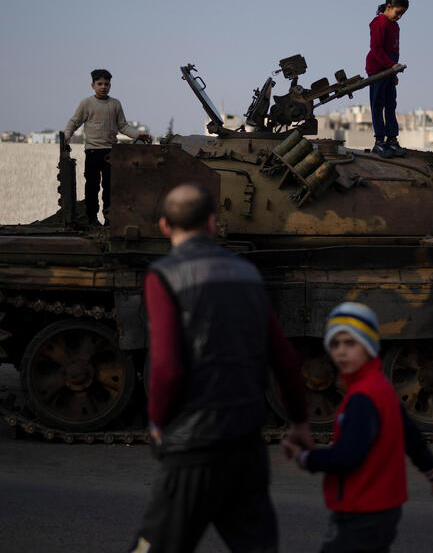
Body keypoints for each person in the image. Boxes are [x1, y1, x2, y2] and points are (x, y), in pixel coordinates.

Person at [129, 183, 311, 553]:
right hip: (245, 442)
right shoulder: (248, 273)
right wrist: (300, 422)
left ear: (164, 226)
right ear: (213, 223)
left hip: (193, 447)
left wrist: (156, 421)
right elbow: (285, 359)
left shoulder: (163, 275)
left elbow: (166, 368)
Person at [281, 302, 433, 553]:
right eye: (335, 344)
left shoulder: (362, 397)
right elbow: (411, 436)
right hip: (384, 509)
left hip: (361, 510)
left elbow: (348, 458)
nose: (341, 352)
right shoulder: (380, 385)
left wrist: (305, 458)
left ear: (368, 346)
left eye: (350, 343)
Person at [64, 69, 150, 226]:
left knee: (110, 187)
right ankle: (92, 219)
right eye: (100, 84)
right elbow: (74, 121)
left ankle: (110, 219)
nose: (103, 87)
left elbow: (123, 126)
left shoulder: (115, 104)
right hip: (92, 151)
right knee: (92, 186)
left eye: (106, 84)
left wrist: (138, 135)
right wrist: (67, 135)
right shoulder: (86, 103)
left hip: (111, 152)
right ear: (93, 85)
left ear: (110, 85)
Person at [366, 0, 409, 159]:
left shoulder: (394, 25)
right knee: (378, 105)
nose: (399, 17)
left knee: (391, 104)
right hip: (377, 70)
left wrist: (394, 72)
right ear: (388, 7)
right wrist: (391, 66)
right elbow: (376, 49)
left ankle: (392, 139)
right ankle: (379, 142)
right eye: (398, 12)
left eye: (402, 14)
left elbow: (393, 51)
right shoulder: (379, 23)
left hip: (389, 70)